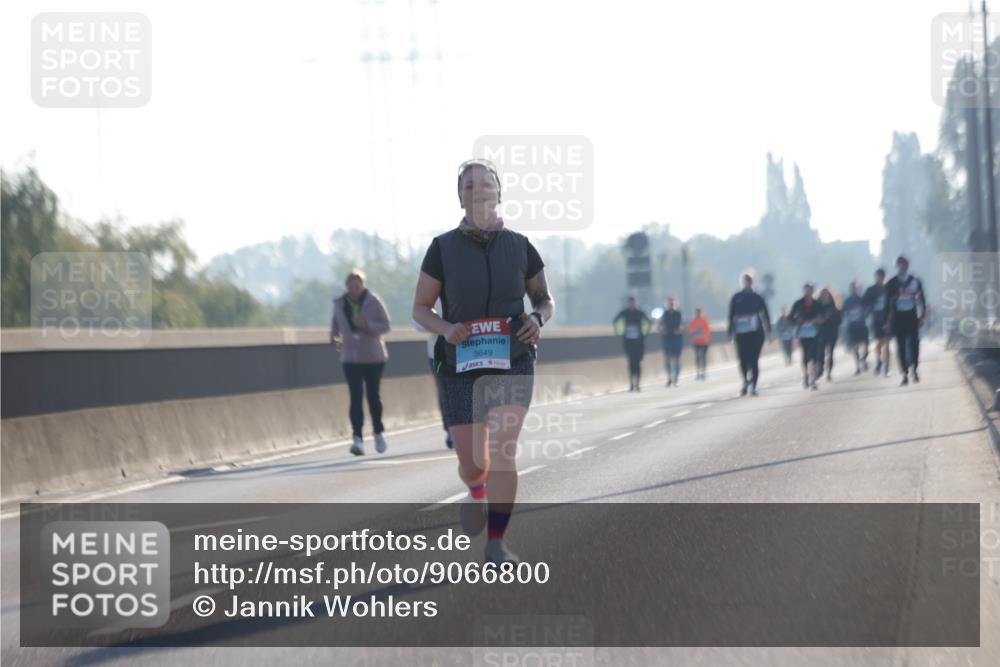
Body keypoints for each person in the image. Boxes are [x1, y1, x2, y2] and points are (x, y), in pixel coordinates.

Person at [412, 158, 553, 565]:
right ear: (460, 197)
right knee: (474, 464)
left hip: (513, 357)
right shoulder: (442, 248)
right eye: (469, 185)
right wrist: (445, 328)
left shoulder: (521, 245)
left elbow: (544, 299)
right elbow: (420, 309)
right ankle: (475, 491)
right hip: (460, 364)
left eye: (485, 183)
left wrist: (537, 318)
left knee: (504, 450)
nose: (478, 190)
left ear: (499, 193)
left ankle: (496, 543)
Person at [330, 269, 391, 456]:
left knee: (373, 396)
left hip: (373, 357)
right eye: (350, 286)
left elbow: (386, 325)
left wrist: (367, 326)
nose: (353, 289)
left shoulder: (373, 301)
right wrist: (335, 339)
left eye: (356, 286)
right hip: (350, 357)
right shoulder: (340, 303)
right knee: (355, 396)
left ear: (362, 285)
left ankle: (378, 432)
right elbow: (335, 327)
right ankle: (357, 438)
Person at [882, 255, 926, 386]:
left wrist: (922, 316)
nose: (902, 266)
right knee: (900, 345)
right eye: (900, 264)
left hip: (912, 316)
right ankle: (905, 373)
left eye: (904, 264)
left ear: (908, 265)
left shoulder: (915, 281)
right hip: (898, 317)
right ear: (897, 266)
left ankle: (915, 369)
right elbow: (887, 304)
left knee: (914, 344)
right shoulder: (892, 283)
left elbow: (922, 299)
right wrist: (887, 321)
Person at [727, 273, 772, 396]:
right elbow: (731, 315)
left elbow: (765, 314)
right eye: (746, 280)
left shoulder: (758, 297)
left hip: (756, 333)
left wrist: (769, 331)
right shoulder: (736, 297)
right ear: (742, 282)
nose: (748, 282)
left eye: (750, 280)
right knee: (742, 359)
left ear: (753, 282)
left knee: (754, 360)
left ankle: (754, 385)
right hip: (741, 333)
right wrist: (730, 332)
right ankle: (745, 381)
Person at [415, 310, 453, 449]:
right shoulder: (430, 291)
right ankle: (451, 430)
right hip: (438, 353)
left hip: (469, 350)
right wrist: (440, 324)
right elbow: (418, 323)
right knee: (445, 392)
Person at [613, 296, 652, 391]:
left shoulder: (640, 313)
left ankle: (637, 384)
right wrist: (620, 332)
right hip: (628, 341)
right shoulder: (624, 313)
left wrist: (644, 333)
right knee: (631, 362)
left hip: (639, 342)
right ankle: (631, 384)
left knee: (638, 363)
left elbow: (648, 322)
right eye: (630, 302)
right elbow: (615, 321)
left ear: (635, 303)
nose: (631, 304)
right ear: (628, 303)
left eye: (633, 302)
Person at [790, 282, 824, 390]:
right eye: (806, 290)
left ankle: (813, 380)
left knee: (813, 357)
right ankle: (806, 375)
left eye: (810, 290)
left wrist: (818, 320)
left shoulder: (817, 305)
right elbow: (790, 318)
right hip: (803, 334)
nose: (808, 292)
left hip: (815, 334)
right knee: (805, 356)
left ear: (812, 291)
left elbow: (823, 318)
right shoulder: (798, 304)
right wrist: (797, 320)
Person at [863, 269, 891, 377]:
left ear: (884, 277)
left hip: (887, 319)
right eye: (878, 276)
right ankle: (879, 361)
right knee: (880, 343)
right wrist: (872, 304)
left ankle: (887, 368)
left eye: (881, 276)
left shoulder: (888, 288)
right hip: (877, 319)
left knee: (887, 343)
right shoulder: (871, 290)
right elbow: (864, 303)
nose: (880, 278)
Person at [842, 281, 869, 375]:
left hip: (862, 324)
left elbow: (868, 309)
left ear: (858, 288)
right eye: (852, 288)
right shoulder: (847, 301)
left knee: (866, 344)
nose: (854, 289)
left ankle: (864, 358)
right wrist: (847, 314)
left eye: (855, 287)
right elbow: (843, 312)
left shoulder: (862, 299)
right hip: (852, 325)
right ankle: (858, 366)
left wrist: (864, 315)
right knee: (855, 347)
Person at [816, 287, 842, 382]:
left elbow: (839, 320)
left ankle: (829, 372)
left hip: (832, 332)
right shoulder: (817, 307)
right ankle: (821, 370)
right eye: (823, 294)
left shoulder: (834, 308)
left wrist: (830, 318)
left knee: (830, 353)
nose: (825, 297)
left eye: (827, 295)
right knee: (820, 353)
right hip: (821, 333)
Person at [658, 296, 684, 387]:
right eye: (670, 304)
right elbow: (660, 325)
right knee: (667, 358)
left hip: (677, 338)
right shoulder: (665, 314)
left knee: (677, 358)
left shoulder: (678, 313)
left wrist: (679, 330)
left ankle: (675, 378)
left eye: (672, 304)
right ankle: (669, 377)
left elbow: (682, 325)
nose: (671, 305)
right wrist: (662, 330)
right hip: (667, 337)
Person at [687, 306, 712, 380]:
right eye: (697, 312)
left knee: (703, 357)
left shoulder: (704, 320)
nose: (698, 313)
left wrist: (701, 332)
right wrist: (694, 332)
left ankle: (703, 372)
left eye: (699, 312)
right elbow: (690, 330)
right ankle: (698, 373)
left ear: (701, 312)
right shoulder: (693, 321)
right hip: (696, 341)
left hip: (704, 342)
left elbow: (708, 330)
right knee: (697, 357)